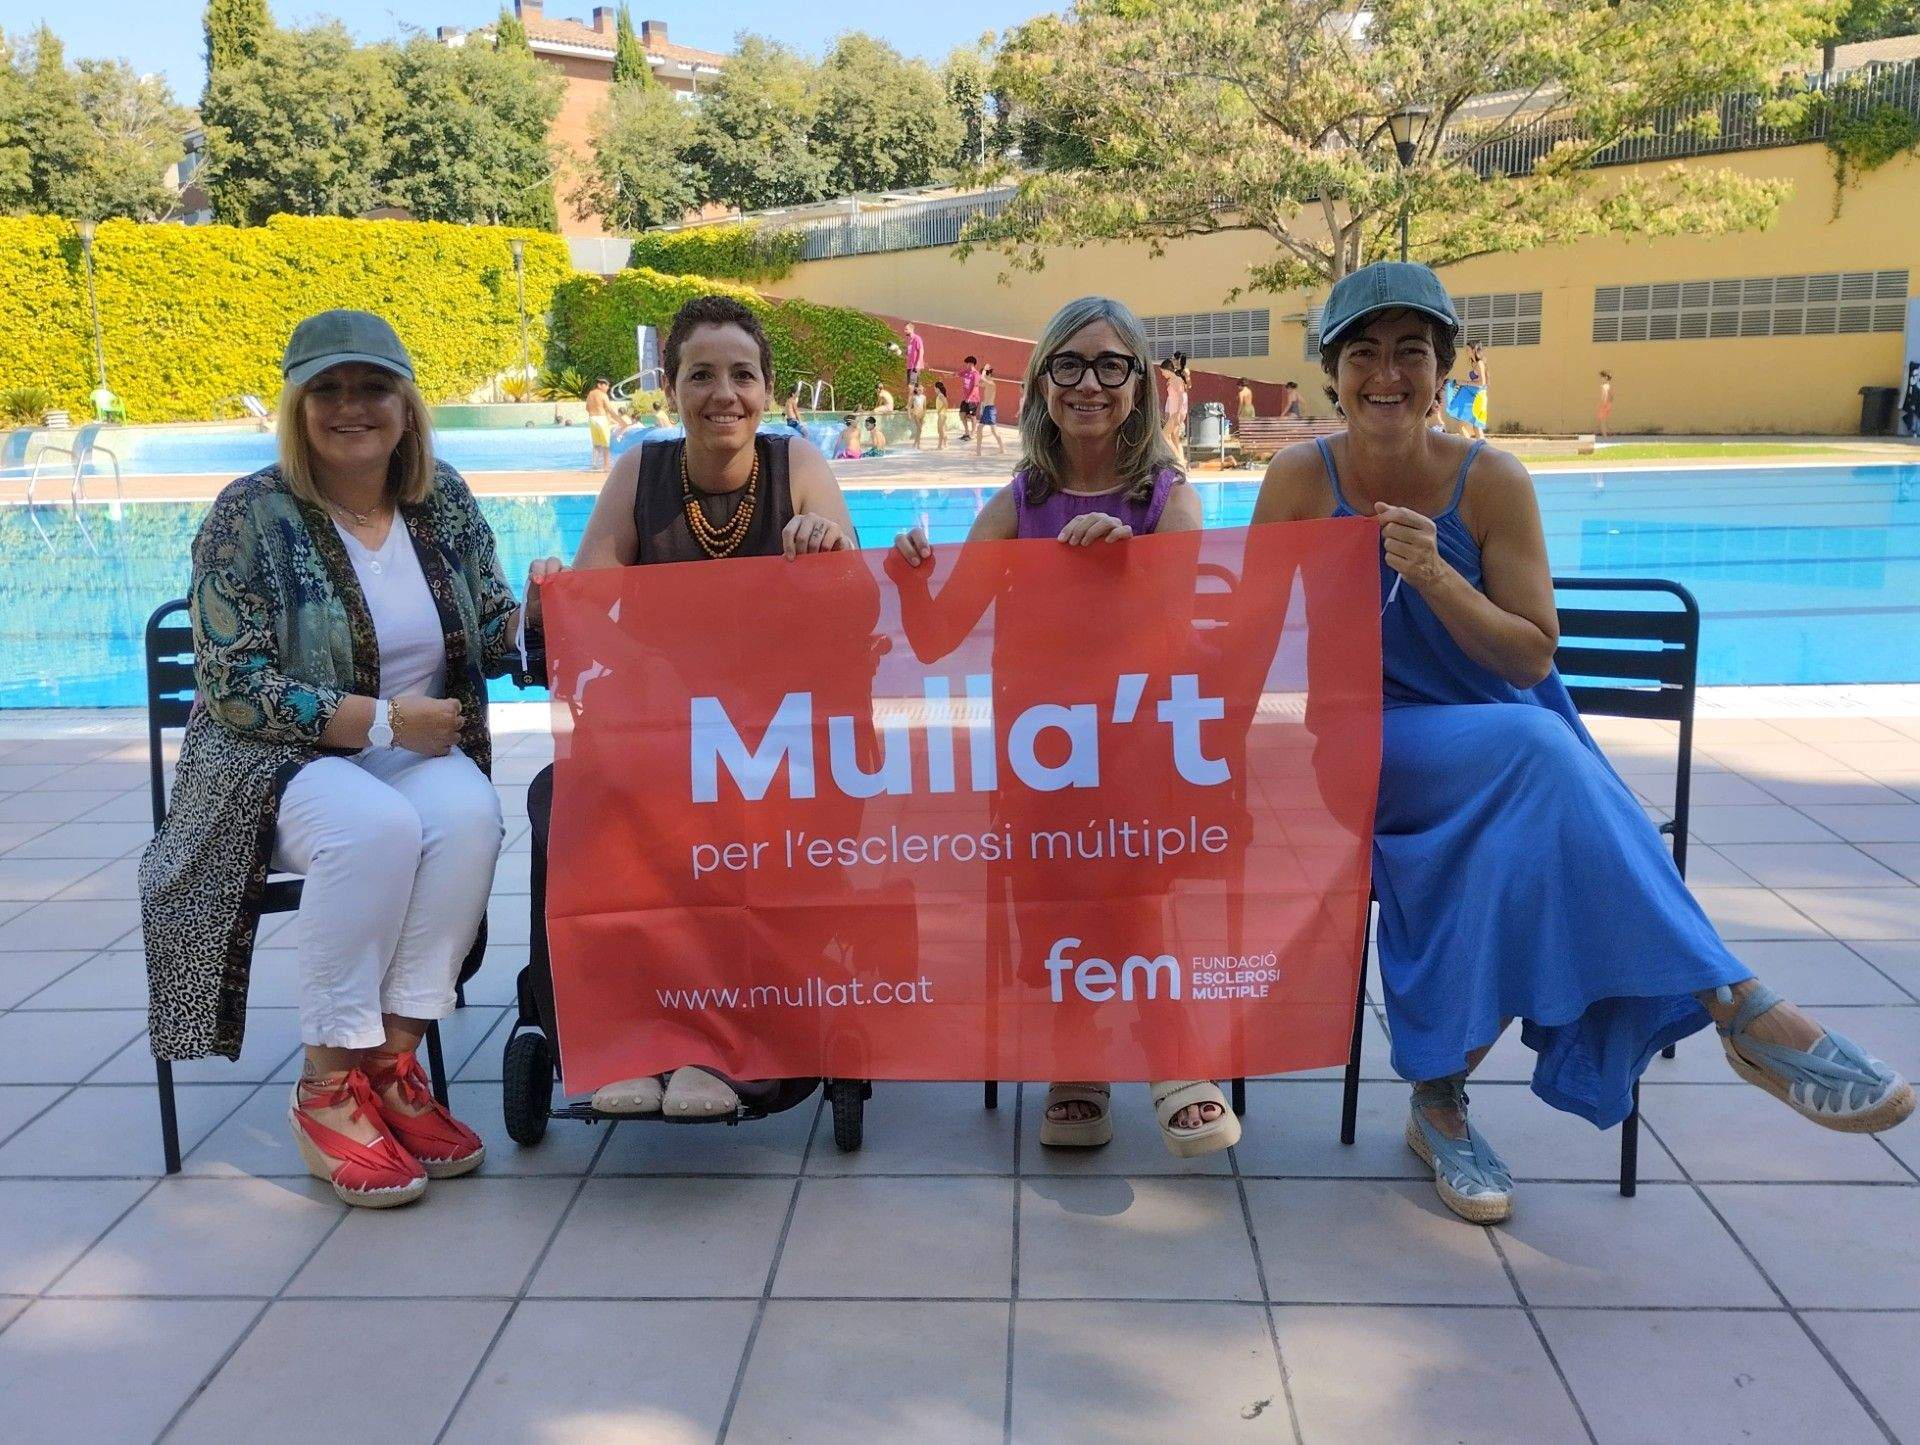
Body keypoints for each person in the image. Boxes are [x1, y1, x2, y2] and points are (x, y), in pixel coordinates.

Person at [1251, 261, 1913, 1223]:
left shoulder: (1493, 481)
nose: (1385, 373)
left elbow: (1527, 657)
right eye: (1363, 352)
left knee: (1516, 837)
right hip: (1365, 753)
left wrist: (1436, 578)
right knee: (1545, 764)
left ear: (1443, 372)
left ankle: (1439, 1104)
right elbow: (1244, 637)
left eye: (1410, 352)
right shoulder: (1299, 478)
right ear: (1333, 370)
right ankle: (1740, 1002)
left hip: (1511, 749)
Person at [139, 309, 558, 1209]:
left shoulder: (440, 497)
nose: (350, 406)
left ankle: (395, 1066)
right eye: (326, 388)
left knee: (469, 815)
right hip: (264, 763)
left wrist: (531, 616)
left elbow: (486, 634)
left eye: (371, 387)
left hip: (406, 750)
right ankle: (328, 1086)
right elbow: (233, 683)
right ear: (297, 407)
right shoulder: (249, 514)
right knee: (374, 826)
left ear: (405, 406)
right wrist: (378, 722)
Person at [891, 295, 1235, 1159]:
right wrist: (908, 577)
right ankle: (1077, 1064)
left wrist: (1129, 565)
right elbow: (935, 640)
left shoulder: (1168, 498)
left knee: (1132, 897)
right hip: (1042, 760)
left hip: (1136, 751)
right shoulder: (1019, 502)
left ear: (1141, 386)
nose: (1090, 383)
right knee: (1051, 906)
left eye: (1111, 365)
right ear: (1043, 382)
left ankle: (1172, 1059)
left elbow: (1181, 628)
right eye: (1070, 365)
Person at [530, 293, 860, 1119]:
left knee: (743, 812)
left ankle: (731, 1045)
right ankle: (619, 1034)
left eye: (742, 375)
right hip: (655, 735)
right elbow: (590, 600)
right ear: (671, 389)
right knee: (556, 799)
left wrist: (826, 550)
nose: (724, 393)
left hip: (774, 741)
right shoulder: (639, 474)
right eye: (700, 374)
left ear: (768, 388)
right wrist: (549, 593)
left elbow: (860, 601)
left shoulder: (800, 467)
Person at [1446, 342, 1488, 440]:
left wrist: (1463, 382)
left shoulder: (1479, 364)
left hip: (1477, 398)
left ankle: (1478, 449)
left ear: (1474, 350)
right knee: (1470, 426)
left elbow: (1482, 383)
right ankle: (1476, 449)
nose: (1466, 351)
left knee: (1475, 426)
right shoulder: (1473, 363)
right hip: (1472, 397)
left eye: (1468, 349)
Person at [1157, 356, 1189, 465]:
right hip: (1174, 412)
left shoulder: (1177, 380)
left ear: (1167, 370)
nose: (1162, 374)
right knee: (1175, 438)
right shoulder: (1173, 380)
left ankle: (1177, 460)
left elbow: (1182, 397)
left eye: (1163, 372)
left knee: (1164, 435)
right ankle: (1181, 461)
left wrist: (1179, 413)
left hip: (1176, 413)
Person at [974, 364, 1007, 455]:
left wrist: (984, 369)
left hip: (989, 409)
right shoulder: (987, 383)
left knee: (993, 430)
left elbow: (982, 378)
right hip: (986, 409)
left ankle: (1001, 448)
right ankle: (978, 451)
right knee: (981, 429)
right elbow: (979, 383)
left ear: (988, 375)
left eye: (984, 374)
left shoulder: (992, 383)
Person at [586, 377, 615, 470]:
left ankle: (594, 464)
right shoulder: (603, 395)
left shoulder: (590, 394)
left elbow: (587, 408)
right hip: (601, 419)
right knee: (606, 443)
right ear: (600, 385)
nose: (607, 388)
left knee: (596, 443)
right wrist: (620, 421)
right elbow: (609, 409)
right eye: (606, 386)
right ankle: (606, 466)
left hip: (592, 419)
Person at [958, 355, 983, 442]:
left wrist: (969, 397)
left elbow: (975, 386)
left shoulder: (976, 374)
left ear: (972, 364)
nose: (967, 365)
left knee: (972, 416)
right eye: (966, 364)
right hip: (965, 399)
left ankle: (973, 433)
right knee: (962, 414)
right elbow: (958, 374)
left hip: (973, 399)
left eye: (968, 364)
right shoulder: (966, 372)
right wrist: (950, 375)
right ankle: (967, 432)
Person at [904, 322, 924, 395]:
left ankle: (909, 405)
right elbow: (908, 353)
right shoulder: (909, 340)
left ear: (911, 329)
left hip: (915, 366)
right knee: (915, 386)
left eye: (906, 329)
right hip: (910, 366)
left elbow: (921, 350)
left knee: (911, 386)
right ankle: (917, 402)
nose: (905, 331)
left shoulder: (917, 338)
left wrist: (918, 363)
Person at [1899, 361, 1918, 438]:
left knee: (1914, 415)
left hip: (1913, 400)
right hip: (1911, 401)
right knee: (1911, 414)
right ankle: (1912, 430)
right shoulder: (1912, 382)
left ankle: (1913, 429)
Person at [909, 379, 930, 448]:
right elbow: (909, 406)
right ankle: (918, 444)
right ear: (916, 389)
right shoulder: (914, 397)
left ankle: (915, 443)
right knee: (920, 429)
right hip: (916, 414)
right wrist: (909, 414)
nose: (920, 390)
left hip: (921, 414)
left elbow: (924, 407)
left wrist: (924, 414)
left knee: (919, 430)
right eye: (919, 389)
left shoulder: (924, 397)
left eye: (921, 389)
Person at [932, 380, 952, 450]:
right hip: (942, 414)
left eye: (934, 388)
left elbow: (946, 404)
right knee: (942, 430)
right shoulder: (940, 395)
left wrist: (940, 410)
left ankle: (940, 446)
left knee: (940, 430)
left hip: (942, 414)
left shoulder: (940, 395)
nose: (934, 389)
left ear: (937, 388)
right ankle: (945, 444)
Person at [1596, 371, 1613, 438]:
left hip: (1604, 404)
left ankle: (1605, 435)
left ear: (1605, 378)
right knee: (1604, 421)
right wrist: (1609, 404)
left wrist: (1602, 403)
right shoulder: (1608, 386)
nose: (1601, 378)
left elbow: (1604, 395)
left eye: (1602, 377)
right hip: (1608, 404)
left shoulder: (1603, 386)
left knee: (1602, 421)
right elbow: (1611, 397)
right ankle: (1609, 432)